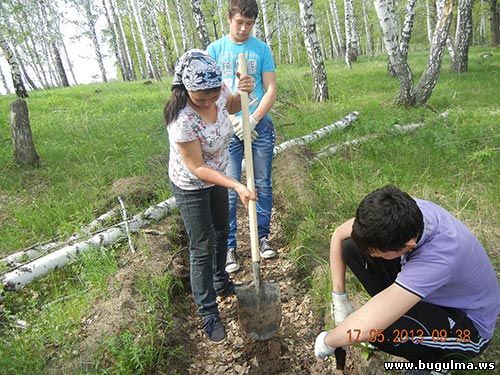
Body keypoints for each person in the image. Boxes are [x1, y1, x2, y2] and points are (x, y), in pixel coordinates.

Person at [314, 185, 499, 374]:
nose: (374, 257)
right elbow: (339, 235)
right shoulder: (404, 213)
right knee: (352, 247)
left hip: (469, 328)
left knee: (376, 330)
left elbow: (364, 326)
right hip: (436, 293)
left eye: (379, 254)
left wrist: (328, 341)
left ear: (408, 246)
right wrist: (339, 298)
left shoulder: (439, 257)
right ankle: (394, 308)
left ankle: (437, 364)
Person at [165, 49, 256, 343]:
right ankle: (208, 312)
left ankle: (221, 281)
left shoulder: (217, 92)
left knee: (221, 232)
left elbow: (230, 104)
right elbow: (197, 167)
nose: (206, 102)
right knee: (202, 245)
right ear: (185, 88)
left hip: (217, 174)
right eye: (199, 98)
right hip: (192, 183)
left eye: (210, 95)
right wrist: (235, 185)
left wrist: (242, 91)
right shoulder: (181, 120)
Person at [207, 0, 278, 274]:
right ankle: (229, 247)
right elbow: (209, 95)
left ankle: (261, 237)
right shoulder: (215, 50)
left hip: (258, 125)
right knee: (231, 186)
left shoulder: (260, 49)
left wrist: (254, 118)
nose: (244, 28)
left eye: (249, 24)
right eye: (239, 22)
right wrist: (233, 119)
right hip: (229, 127)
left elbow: (270, 89)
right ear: (229, 18)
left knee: (262, 182)